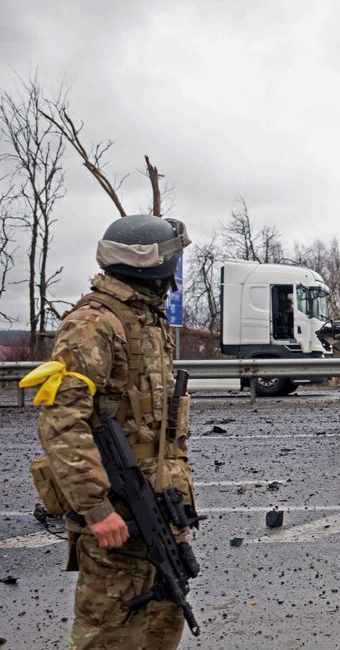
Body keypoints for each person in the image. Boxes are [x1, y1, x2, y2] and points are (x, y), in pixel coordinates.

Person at [27, 215, 195, 649]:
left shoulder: (148, 320)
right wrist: (96, 510)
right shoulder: (94, 323)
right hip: (117, 512)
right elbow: (62, 421)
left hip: (159, 506)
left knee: (161, 627)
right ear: (151, 267)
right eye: (172, 261)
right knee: (107, 636)